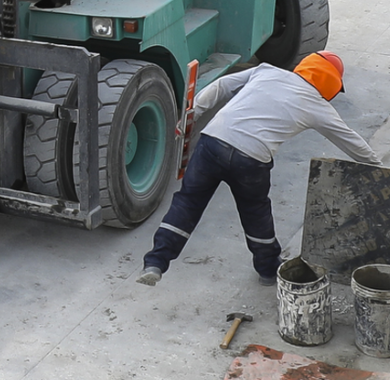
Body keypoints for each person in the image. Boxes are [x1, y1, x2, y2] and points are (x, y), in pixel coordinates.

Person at [137, 51, 376, 286]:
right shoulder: (317, 106)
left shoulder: (267, 71)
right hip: (250, 159)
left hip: (212, 142)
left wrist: (192, 113)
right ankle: (268, 270)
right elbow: (350, 140)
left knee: (188, 202)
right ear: (331, 83)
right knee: (255, 212)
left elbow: (221, 86)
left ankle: (156, 262)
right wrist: (378, 166)